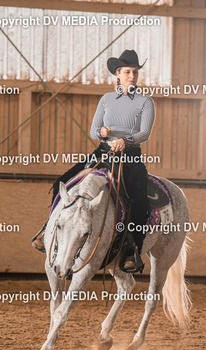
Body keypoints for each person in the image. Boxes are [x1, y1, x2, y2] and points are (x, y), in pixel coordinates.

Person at [32, 49, 155, 273]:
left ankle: (132, 249)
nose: (132, 76)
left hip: (130, 156)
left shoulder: (145, 102)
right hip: (103, 152)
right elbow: (93, 130)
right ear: (118, 74)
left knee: (139, 199)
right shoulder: (106, 99)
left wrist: (126, 140)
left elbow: (144, 133)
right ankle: (48, 229)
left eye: (135, 72)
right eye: (127, 72)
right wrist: (102, 132)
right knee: (61, 182)